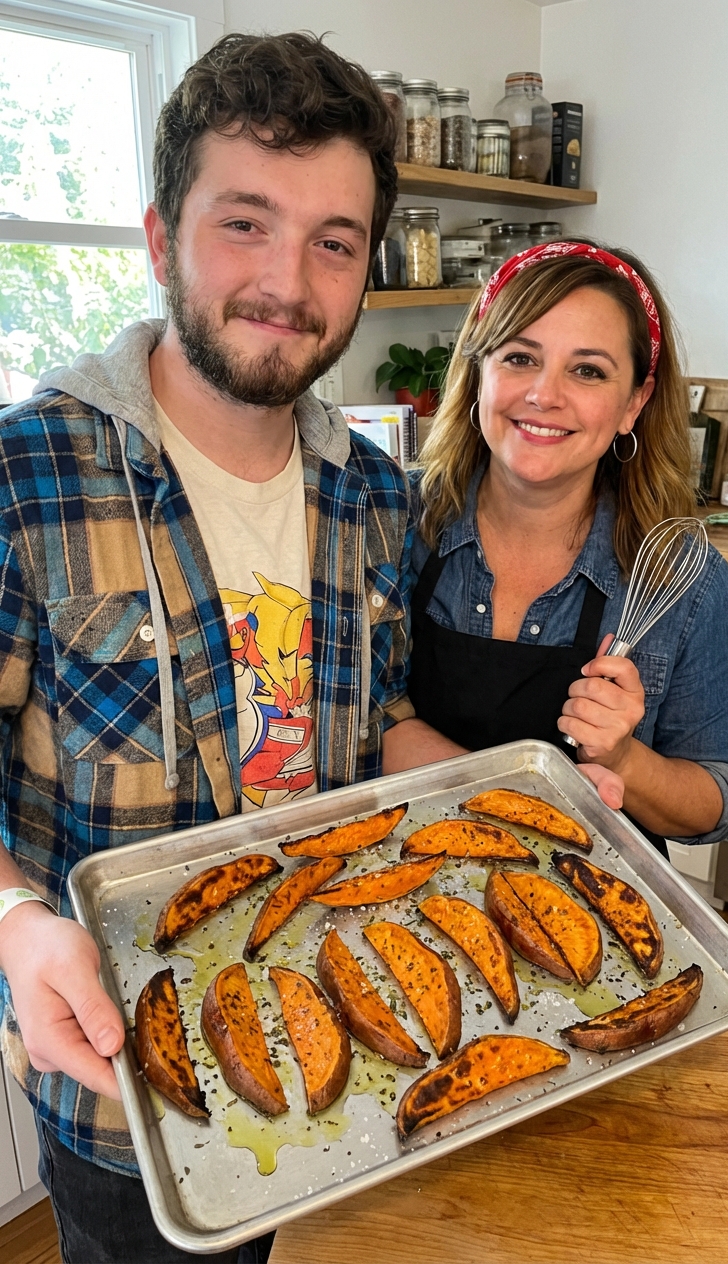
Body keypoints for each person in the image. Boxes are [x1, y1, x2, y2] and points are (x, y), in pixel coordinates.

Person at [0, 31, 428, 1264]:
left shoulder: (372, 493)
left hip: (334, 1025)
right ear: (158, 235)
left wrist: (536, 802)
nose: (288, 281)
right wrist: (23, 929)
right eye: (245, 222)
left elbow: (377, 716)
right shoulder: (32, 474)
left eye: (332, 241)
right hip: (121, 1082)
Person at [406, 240, 728, 850]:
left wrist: (624, 759)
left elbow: (715, 803)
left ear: (633, 403)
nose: (545, 394)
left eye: (588, 370)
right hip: (412, 874)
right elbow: (362, 718)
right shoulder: (394, 521)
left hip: (590, 907)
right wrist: (519, 801)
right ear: (477, 373)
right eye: (519, 357)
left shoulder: (684, 581)